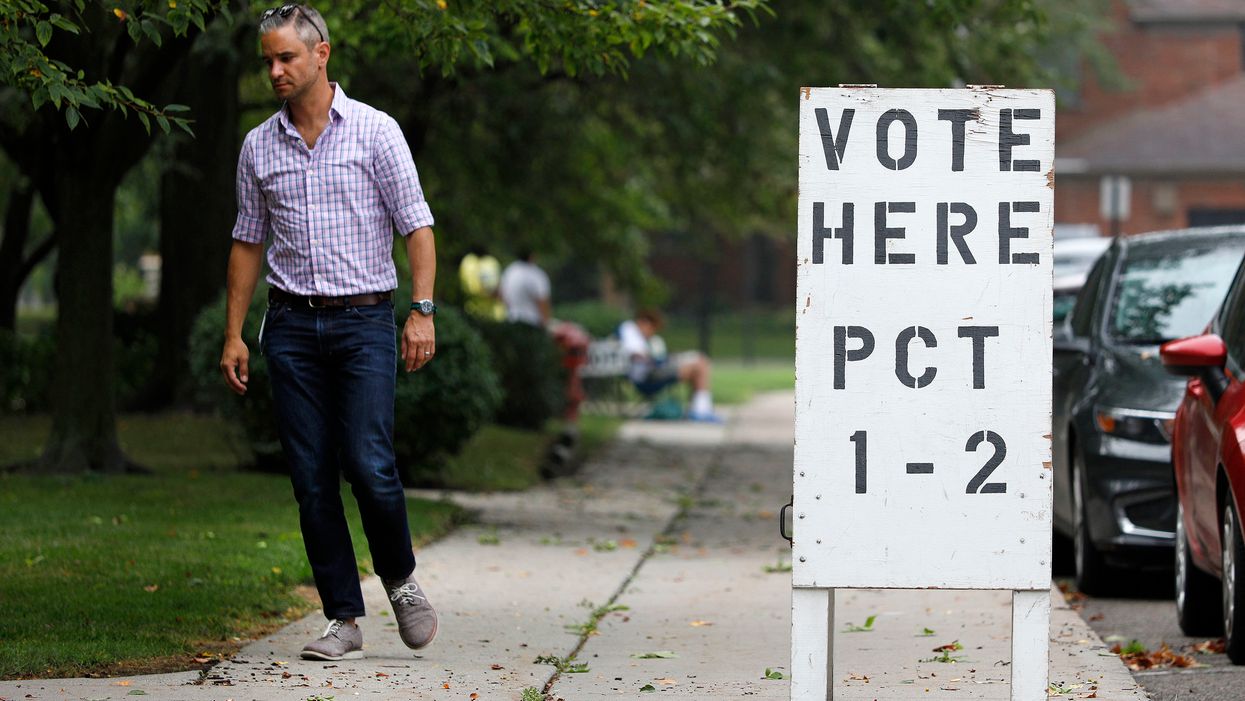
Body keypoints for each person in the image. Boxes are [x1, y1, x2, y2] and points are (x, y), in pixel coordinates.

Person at [218, 3, 437, 662]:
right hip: (290, 327)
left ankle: (400, 579)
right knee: (311, 479)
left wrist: (422, 309)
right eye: (268, 61)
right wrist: (234, 334)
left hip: (364, 322)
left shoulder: (375, 131)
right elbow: (247, 242)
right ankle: (342, 617)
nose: (275, 71)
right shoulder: (258, 146)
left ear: (322, 54)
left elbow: (417, 225)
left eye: (286, 57)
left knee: (369, 464)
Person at [617, 309, 722, 422]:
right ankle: (700, 411)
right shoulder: (629, 329)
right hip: (647, 376)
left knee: (700, 361)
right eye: (652, 328)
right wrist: (657, 358)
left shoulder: (641, 337)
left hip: (655, 370)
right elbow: (638, 356)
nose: (652, 333)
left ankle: (700, 409)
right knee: (699, 365)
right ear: (644, 322)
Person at [498, 248, 551, 327]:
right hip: (532, 322)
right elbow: (542, 301)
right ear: (532, 256)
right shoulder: (536, 274)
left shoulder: (509, 271)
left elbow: (501, 295)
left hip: (511, 319)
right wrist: (546, 323)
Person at [458, 246, 504, 321]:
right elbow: (494, 290)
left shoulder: (466, 261)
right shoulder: (490, 263)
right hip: (491, 313)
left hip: (470, 310)